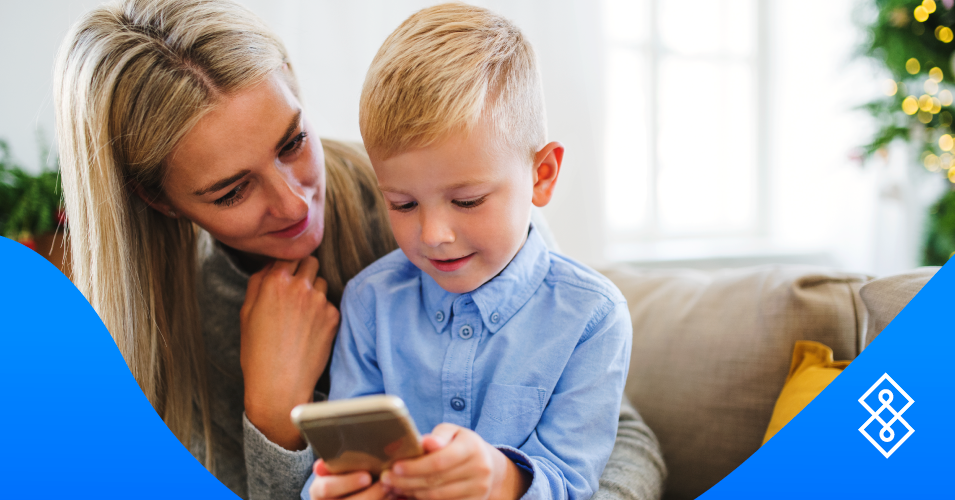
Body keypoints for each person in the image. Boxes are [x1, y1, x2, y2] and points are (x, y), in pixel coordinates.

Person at [53, 0, 666, 499]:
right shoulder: (168, 340)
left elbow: (622, 442)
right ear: (160, 202)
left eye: (292, 141)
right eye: (234, 190)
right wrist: (271, 416)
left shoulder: (445, 187)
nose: (294, 204)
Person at [305, 4, 630, 500]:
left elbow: (573, 482)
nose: (433, 234)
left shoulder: (592, 317)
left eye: (467, 201)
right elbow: (340, 460)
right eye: (403, 203)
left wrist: (503, 479)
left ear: (541, 176)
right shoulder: (370, 300)